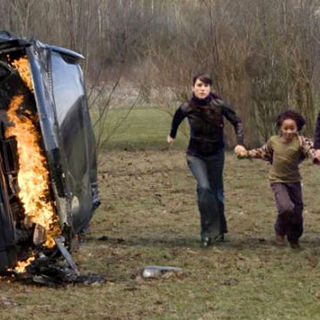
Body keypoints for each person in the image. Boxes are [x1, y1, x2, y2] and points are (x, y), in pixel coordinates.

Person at [167, 74, 246, 247]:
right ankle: (206, 232)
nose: (202, 89)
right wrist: (171, 135)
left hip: (216, 154)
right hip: (195, 155)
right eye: (199, 85)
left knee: (216, 193)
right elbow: (176, 119)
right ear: (193, 87)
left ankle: (219, 229)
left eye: (206, 86)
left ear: (210, 88)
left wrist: (240, 143)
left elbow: (237, 121)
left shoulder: (219, 105)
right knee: (204, 188)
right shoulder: (187, 107)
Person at [235, 110, 318, 248]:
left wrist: (316, 156)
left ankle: (294, 238)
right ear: (280, 128)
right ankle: (280, 231)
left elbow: (311, 150)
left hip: (294, 181)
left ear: (297, 128)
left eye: (292, 128)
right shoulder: (274, 141)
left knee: (297, 211)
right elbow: (262, 152)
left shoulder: (301, 141)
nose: (289, 131)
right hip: (278, 181)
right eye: (285, 128)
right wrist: (246, 154)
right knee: (286, 208)